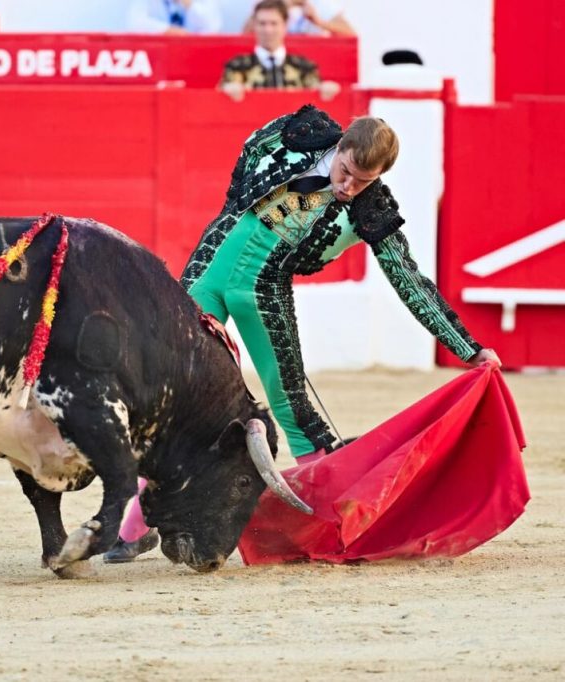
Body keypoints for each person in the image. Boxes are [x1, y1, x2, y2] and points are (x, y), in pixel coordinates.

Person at [104, 104, 501, 563]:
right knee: (174, 395)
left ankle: (330, 522)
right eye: (347, 172)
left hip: (264, 292)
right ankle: (134, 528)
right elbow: (252, 147)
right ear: (341, 147)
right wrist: (234, 212)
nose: (349, 187)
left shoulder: (372, 209)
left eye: (364, 181)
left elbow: (409, 281)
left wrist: (467, 348)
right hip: (213, 264)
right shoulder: (301, 134)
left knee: (290, 403)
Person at [219, 0, 340, 102]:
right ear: (254, 25)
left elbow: (318, 95)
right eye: (262, 23)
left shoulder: (305, 67)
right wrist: (227, 90)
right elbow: (217, 99)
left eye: (274, 23)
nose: (268, 30)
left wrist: (326, 89)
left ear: (285, 25)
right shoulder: (237, 66)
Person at [126, 0, 222, 35]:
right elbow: (135, 23)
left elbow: (213, 27)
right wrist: (167, 30)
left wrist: (189, 4)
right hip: (158, 55)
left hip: (194, 55)